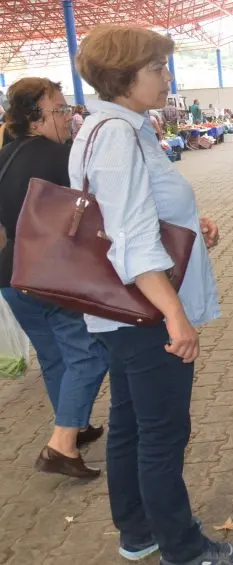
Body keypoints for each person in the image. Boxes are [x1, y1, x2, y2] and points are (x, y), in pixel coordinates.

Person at [71, 25, 233, 565]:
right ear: (125, 76)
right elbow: (130, 236)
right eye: (157, 68)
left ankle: (137, 529)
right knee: (164, 432)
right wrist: (175, 315)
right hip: (144, 311)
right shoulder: (118, 137)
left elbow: (131, 212)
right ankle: (184, 546)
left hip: (123, 311)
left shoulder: (112, 128)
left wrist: (193, 221)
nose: (166, 76)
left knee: (130, 422)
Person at [0, 77, 109, 480]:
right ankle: (62, 445)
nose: (68, 117)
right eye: (60, 110)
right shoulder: (64, 157)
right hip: (51, 275)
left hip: (12, 275)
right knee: (90, 353)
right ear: (36, 117)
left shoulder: (4, 156)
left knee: (53, 357)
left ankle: (76, 425)